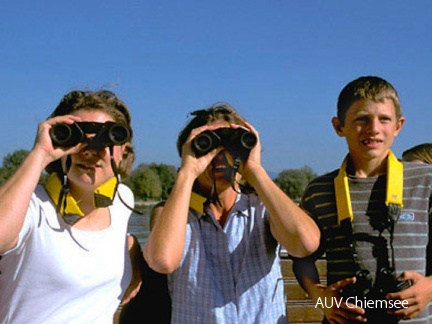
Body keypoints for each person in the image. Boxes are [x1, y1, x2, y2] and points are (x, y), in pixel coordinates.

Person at [143, 103, 320, 323]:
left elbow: (305, 244)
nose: (219, 158)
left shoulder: (263, 208)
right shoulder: (172, 214)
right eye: (208, 145)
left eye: (231, 146)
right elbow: (163, 261)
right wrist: (188, 172)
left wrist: (254, 170)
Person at [292, 76, 432, 323]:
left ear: (398, 126)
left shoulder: (426, 181)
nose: (374, 129)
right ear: (338, 126)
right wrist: (321, 297)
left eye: (384, 119)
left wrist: (430, 287)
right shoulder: (319, 190)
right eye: (361, 119)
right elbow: (302, 261)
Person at [0, 90, 142, 323]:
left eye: (108, 138)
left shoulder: (121, 200)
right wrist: (40, 153)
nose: (90, 150)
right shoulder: (32, 206)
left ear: (123, 148)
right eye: (77, 139)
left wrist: (134, 253)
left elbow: (110, 241)